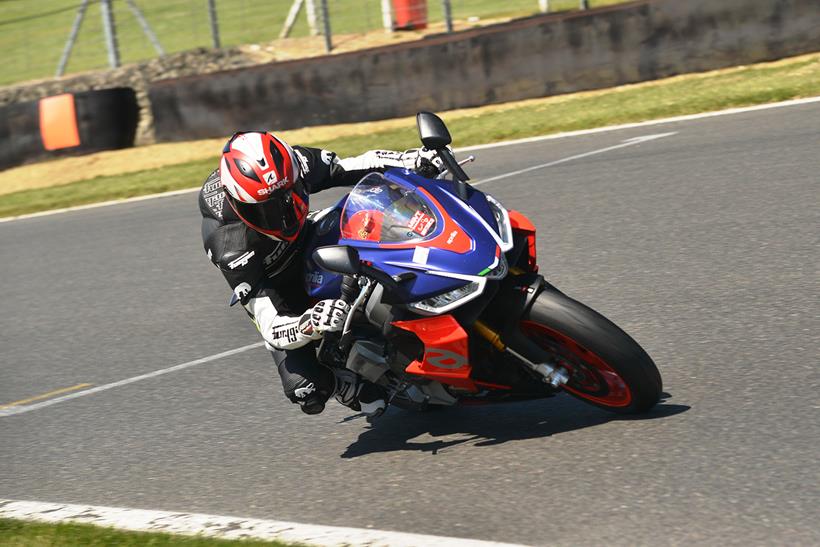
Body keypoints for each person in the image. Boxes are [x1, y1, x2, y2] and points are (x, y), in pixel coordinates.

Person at [199, 131, 437, 416]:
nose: (284, 215)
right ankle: (343, 385)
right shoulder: (229, 246)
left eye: (290, 197)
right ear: (240, 206)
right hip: (277, 290)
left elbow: (351, 165)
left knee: (377, 214)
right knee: (303, 387)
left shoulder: (293, 164)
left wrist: (411, 159)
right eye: (268, 212)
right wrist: (307, 324)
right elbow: (270, 325)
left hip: (313, 236)